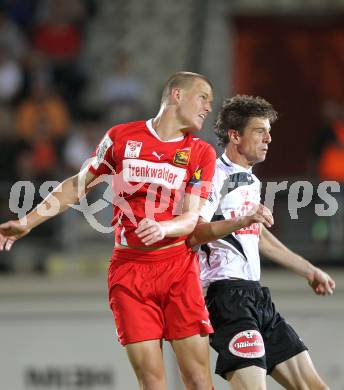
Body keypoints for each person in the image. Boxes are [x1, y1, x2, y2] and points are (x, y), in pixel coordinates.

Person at [0, 71, 217, 390]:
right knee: (152, 381)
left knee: (198, 379)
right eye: (203, 97)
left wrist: (163, 226)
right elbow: (77, 186)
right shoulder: (120, 137)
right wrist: (27, 222)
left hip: (178, 268)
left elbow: (192, 218)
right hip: (129, 272)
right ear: (176, 95)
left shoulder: (201, 153)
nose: (208, 107)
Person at [189, 95, 335, 390]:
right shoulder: (213, 175)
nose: (268, 138)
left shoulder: (251, 181)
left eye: (269, 131)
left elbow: (260, 239)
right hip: (224, 296)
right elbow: (195, 232)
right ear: (235, 135)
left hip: (256, 296)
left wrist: (309, 270)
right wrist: (241, 221)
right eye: (259, 131)